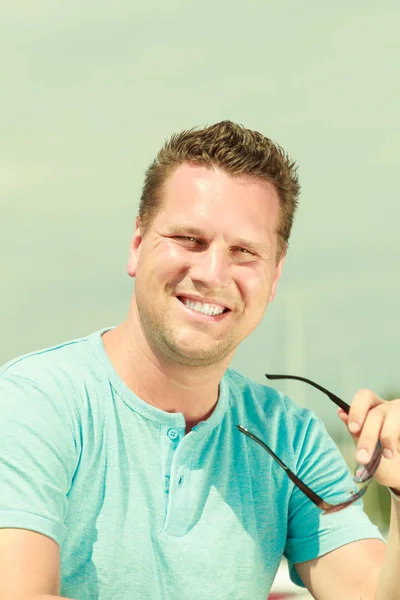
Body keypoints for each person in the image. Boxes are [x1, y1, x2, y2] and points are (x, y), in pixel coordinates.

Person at [0, 120, 399, 600]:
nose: (212, 273)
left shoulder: (289, 438)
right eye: (189, 239)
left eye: (244, 251)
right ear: (136, 243)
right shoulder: (33, 403)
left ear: (275, 276)